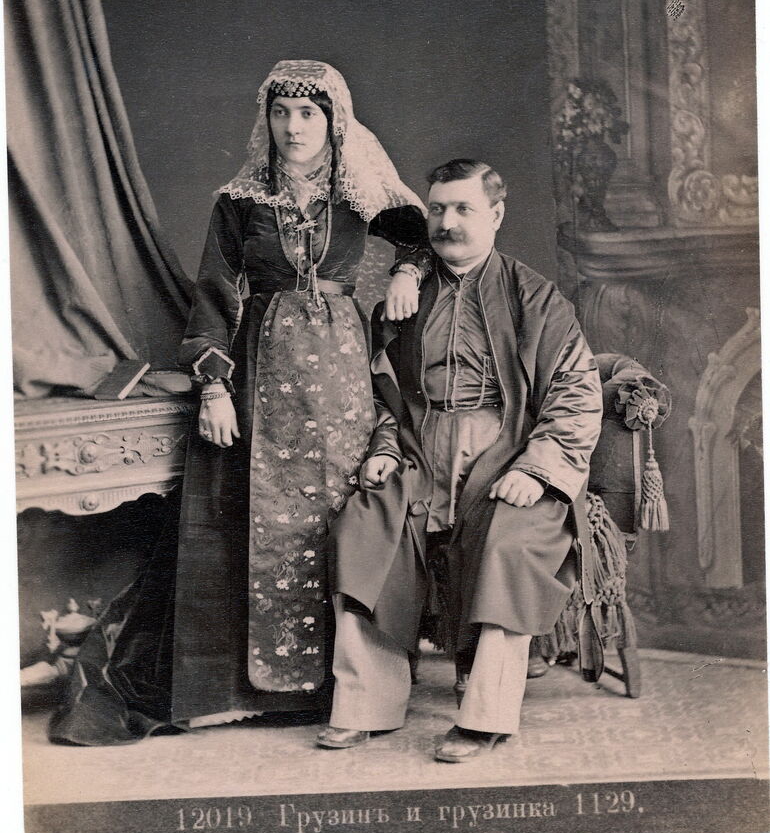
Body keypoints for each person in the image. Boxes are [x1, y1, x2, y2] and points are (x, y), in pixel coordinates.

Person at [49, 60, 431, 744]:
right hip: (264, 373)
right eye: (281, 113)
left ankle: (344, 688)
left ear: (333, 121)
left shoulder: (361, 192)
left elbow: (421, 232)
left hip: (341, 379)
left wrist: (405, 269)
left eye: (307, 114)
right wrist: (215, 387)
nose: (293, 127)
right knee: (254, 519)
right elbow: (213, 297)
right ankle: (249, 691)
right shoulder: (240, 202)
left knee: (336, 518)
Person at [316, 158, 604, 762]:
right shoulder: (404, 300)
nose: (447, 223)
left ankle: (485, 715)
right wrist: (384, 449)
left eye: (463, 209)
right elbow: (380, 394)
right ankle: (367, 702)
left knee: (509, 545)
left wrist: (535, 469)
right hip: (420, 448)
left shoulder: (535, 297)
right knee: (363, 527)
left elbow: (576, 392)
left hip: (510, 447)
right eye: (438, 209)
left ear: (496, 215)